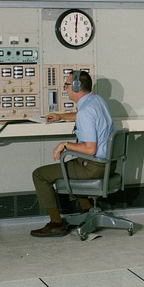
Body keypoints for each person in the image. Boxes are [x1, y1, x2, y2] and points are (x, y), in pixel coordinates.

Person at [30, 70, 114, 237]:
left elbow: (90, 149)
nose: (65, 89)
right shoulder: (97, 101)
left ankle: (56, 223)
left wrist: (65, 145)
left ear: (76, 86)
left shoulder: (85, 112)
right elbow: (82, 116)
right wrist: (61, 116)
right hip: (108, 164)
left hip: (93, 166)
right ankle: (87, 209)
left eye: (67, 85)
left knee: (40, 174)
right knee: (68, 167)